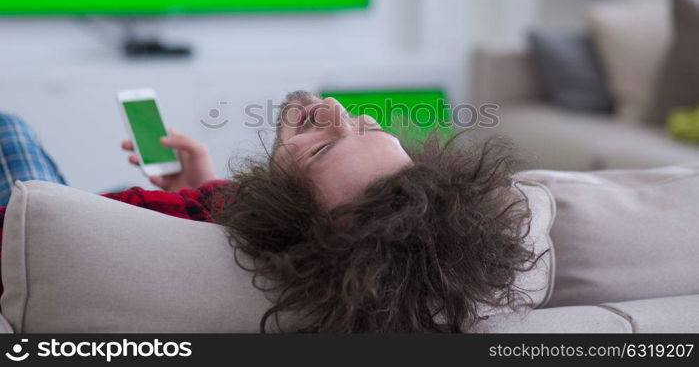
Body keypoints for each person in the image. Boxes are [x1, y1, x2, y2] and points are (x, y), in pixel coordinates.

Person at [0, 91, 537, 332]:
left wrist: (188, 197)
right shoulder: (237, 216)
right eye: (369, 127)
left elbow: (40, 227)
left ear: (292, 219)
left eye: (326, 148)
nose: (335, 110)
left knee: (11, 128)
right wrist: (205, 185)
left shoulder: (157, 218)